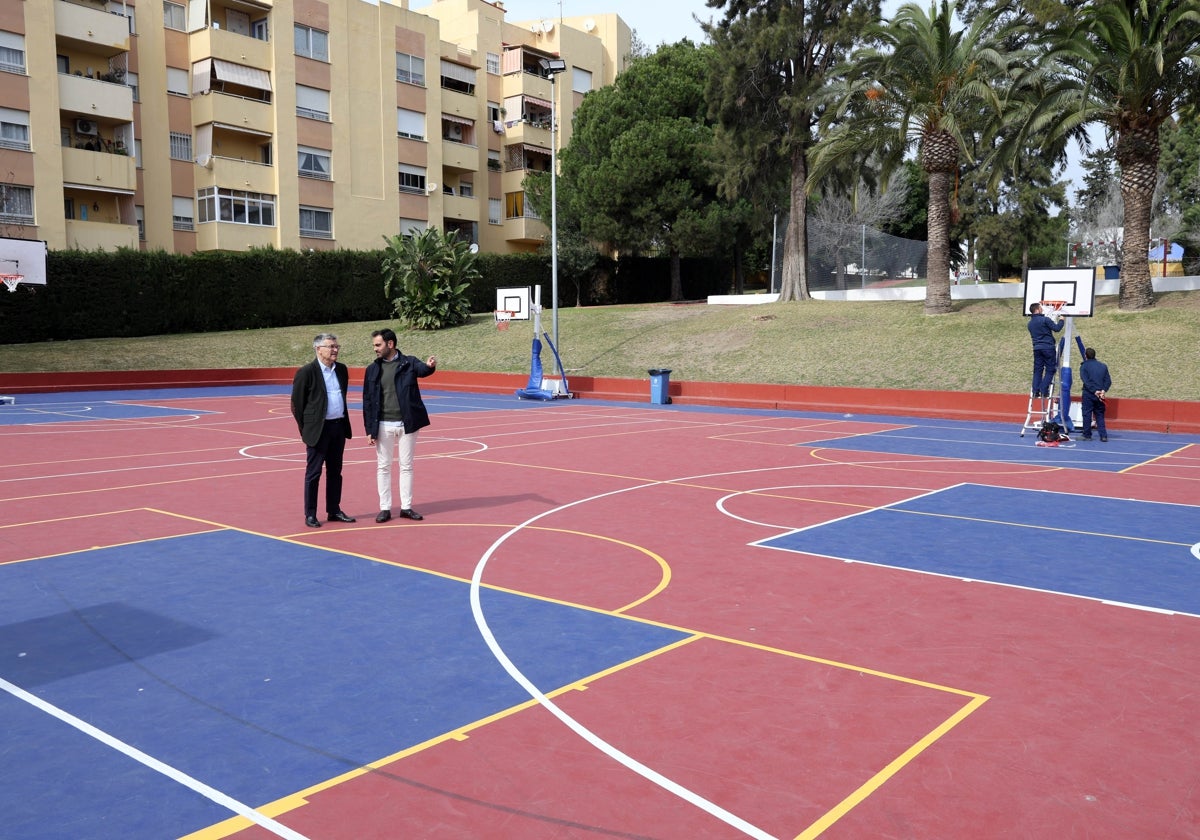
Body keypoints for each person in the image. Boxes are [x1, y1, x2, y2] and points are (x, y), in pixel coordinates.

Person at [362, 328, 437, 523]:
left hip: (407, 424)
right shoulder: (372, 369)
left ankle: (406, 507)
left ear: (390, 344)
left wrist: (429, 366)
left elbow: (423, 370)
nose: (375, 349)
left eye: (378, 345)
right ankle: (385, 508)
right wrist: (370, 429)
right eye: (374, 346)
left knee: (406, 466)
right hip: (382, 425)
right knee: (383, 467)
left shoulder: (409, 362)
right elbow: (368, 401)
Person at [291, 333, 356, 528]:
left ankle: (334, 510)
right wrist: (307, 430)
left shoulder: (342, 370)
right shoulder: (307, 372)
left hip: (338, 427)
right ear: (318, 349)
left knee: (336, 472)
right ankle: (310, 513)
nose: (335, 350)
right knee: (313, 473)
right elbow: (297, 405)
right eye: (331, 346)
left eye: (337, 346)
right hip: (318, 431)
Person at [1027, 302, 1065, 398]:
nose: (1042, 309)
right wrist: (1061, 320)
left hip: (1037, 349)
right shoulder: (1045, 320)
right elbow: (1057, 328)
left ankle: (1035, 391)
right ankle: (1044, 389)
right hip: (1048, 347)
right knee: (1050, 370)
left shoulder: (1030, 324)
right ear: (1037, 309)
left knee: (1038, 370)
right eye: (1041, 308)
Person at [1079, 347, 1113, 442]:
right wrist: (1103, 390)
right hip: (1100, 395)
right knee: (1099, 415)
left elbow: (1086, 381)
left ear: (1086, 356)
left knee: (1087, 414)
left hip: (1089, 393)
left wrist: (1094, 390)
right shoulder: (1103, 366)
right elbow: (1108, 381)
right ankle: (1103, 435)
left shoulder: (1084, 366)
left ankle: (1087, 435)